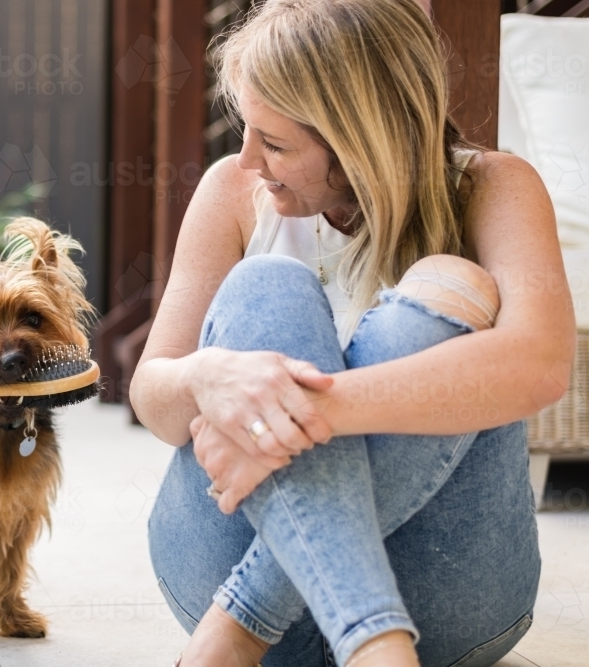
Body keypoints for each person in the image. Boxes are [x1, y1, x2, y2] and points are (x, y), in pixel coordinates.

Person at [130, 1, 576, 666]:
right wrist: (206, 377)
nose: (248, 160)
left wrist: (305, 408)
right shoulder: (231, 192)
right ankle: (373, 642)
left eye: (275, 143)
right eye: (246, 131)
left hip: (443, 595)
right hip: (217, 560)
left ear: (361, 142)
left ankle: (243, 625)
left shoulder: (493, 186)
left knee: (454, 284)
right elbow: (152, 396)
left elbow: (541, 365)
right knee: (266, 287)